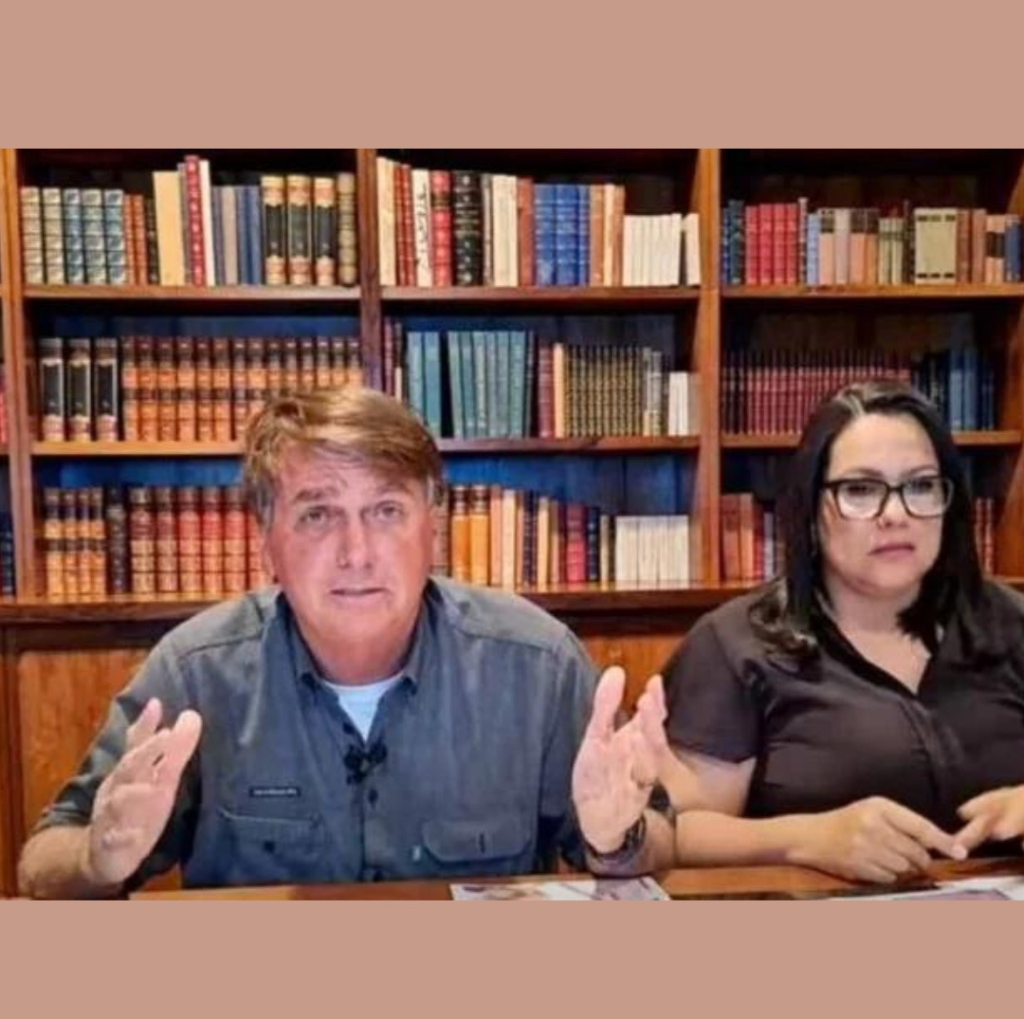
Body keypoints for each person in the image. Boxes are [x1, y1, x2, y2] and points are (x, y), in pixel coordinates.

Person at [19, 387, 596, 897]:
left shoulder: (540, 667)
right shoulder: (194, 673)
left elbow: (631, 852)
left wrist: (622, 843)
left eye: (387, 510)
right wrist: (95, 859)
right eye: (318, 514)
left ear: (433, 531)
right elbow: (42, 861)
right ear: (265, 543)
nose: (357, 552)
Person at [573, 380, 1024, 884]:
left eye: (921, 486)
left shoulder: (1010, 623)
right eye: (860, 490)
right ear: (810, 509)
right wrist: (807, 838)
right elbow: (677, 833)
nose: (896, 514)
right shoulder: (737, 645)